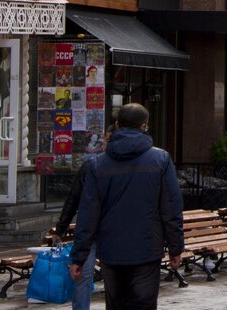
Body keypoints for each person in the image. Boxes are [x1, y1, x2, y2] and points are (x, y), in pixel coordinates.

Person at [70, 103, 184, 308]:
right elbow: (171, 208)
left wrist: (79, 256)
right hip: (147, 247)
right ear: (144, 126)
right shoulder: (160, 159)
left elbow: (87, 214)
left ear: (117, 124)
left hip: (111, 249)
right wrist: (176, 248)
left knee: (116, 304)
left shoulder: (97, 165)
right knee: (144, 303)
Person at [53, 123, 115, 310]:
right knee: (82, 275)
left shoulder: (120, 169)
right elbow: (73, 199)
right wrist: (61, 228)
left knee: (112, 278)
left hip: (111, 232)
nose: (105, 144)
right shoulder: (91, 167)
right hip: (90, 232)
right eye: (105, 140)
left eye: (108, 140)